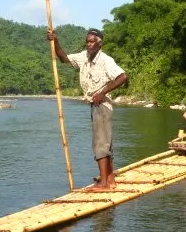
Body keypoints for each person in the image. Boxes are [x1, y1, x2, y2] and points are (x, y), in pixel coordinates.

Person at [47, 27, 128, 191]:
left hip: (102, 105)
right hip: (94, 105)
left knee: (100, 144)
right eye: (87, 41)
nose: (88, 44)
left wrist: (102, 92)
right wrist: (55, 41)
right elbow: (63, 58)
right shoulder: (84, 56)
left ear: (99, 44)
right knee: (105, 143)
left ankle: (104, 184)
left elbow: (123, 77)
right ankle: (110, 181)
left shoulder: (105, 60)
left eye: (92, 42)